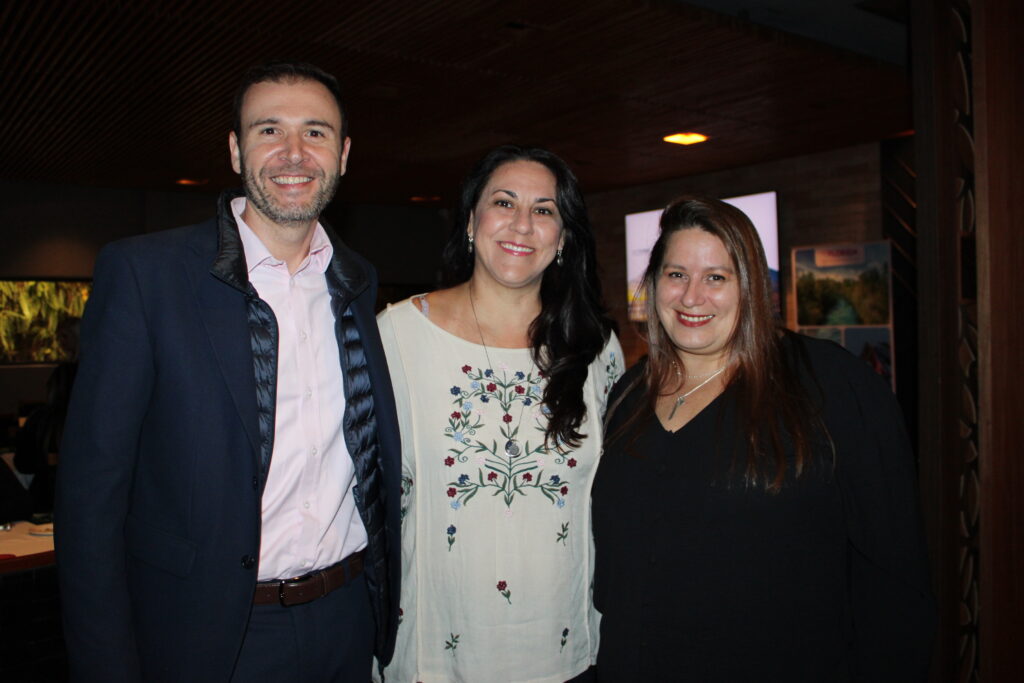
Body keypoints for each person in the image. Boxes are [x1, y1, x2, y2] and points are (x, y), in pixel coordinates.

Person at [55, 61, 401, 682]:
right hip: (215, 636)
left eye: (316, 133)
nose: (294, 153)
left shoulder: (357, 280)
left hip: (347, 620)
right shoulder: (146, 274)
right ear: (236, 149)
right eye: (269, 131)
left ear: (344, 154)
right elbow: (90, 500)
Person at [592, 196, 935, 681]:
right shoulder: (629, 394)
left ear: (750, 285)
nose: (692, 297)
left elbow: (893, 574)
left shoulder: (831, 385)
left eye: (716, 277)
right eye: (675, 275)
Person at [376, 145, 622, 682]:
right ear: (471, 221)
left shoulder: (595, 347)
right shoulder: (396, 334)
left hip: (565, 652)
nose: (522, 224)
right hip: (435, 654)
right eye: (504, 202)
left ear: (563, 237)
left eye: (544, 209)